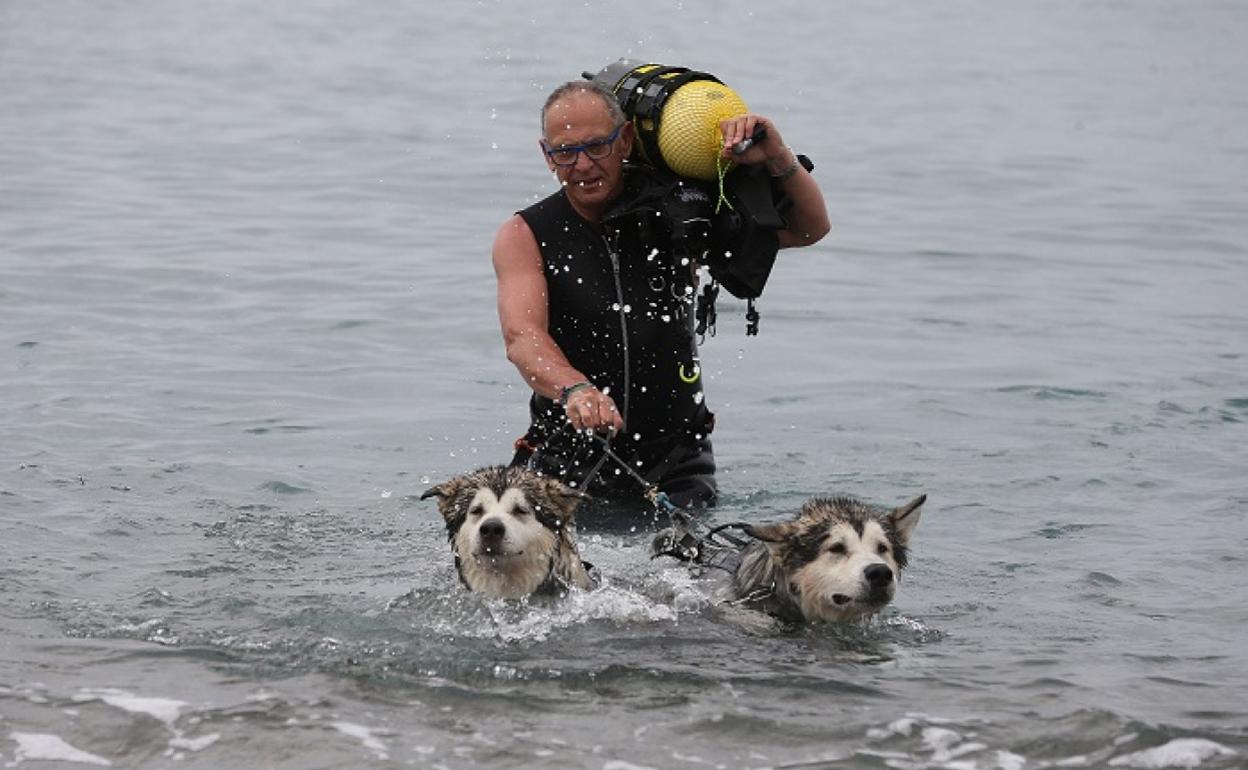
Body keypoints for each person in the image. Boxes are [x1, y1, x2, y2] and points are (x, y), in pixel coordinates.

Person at [492, 79, 830, 510]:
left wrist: (779, 156)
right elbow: (523, 338)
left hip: (679, 466)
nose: (582, 164)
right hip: (562, 462)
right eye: (565, 152)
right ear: (546, 155)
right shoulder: (526, 234)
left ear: (627, 140)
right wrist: (576, 390)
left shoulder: (680, 216)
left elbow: (808, 227)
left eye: (597, 146)